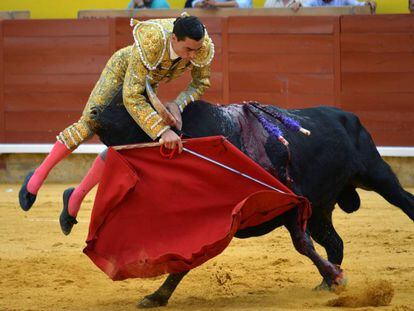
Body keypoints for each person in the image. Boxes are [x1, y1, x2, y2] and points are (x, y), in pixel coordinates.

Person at [19, 14, 215, 235]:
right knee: (91, 122)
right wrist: (162, 131)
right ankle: (37, 177)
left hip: (146, 84)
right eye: (188, 49)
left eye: (196, 50)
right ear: (174, 39)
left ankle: (75, 197)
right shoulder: (152, 39)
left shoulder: (201, 45)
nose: (194, 55)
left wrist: (178, 104)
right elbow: (131, 96)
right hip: (121, 74)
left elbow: (200, 82)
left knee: (125, 144)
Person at [301, 0, 376, 13]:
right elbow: (303, 7)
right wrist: (298, 5)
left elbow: (359, 5)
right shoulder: (314, 1)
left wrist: (368, 4)